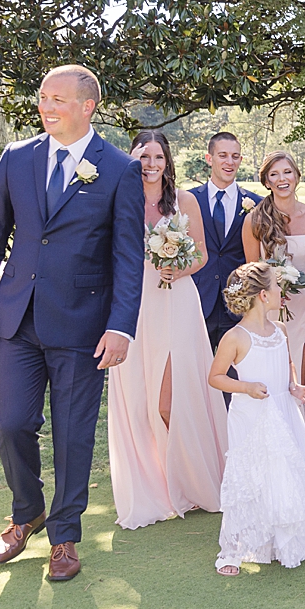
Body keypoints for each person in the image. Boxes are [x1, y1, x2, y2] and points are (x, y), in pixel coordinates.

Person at [0, 65, 145, 583]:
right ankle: (27, 513)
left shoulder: (120, 169)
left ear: (87, 106)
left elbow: (129, 258)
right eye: (43, 97)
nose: (47, 106)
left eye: (58, 99)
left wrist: (121, 326)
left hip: (84, 325)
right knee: (11, 423)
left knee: (72, 435)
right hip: (18, 319)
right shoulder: (17, 158)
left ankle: (64, 536)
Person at [106, 130, 227, 530]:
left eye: (158, 156)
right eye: (143, 156)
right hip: (134, 304)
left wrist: (179, 268)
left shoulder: (185, 201)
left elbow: (203, 256)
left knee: (170, 402)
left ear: (167, 161)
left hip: (176, 302)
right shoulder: (119, 199)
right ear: (131, 159)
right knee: (138, 398)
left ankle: (189, 481)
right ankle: (154, 486)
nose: (151, 164)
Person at [209, 262, 305, 573]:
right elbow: (215, 377)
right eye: (278, 288)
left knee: (287, 469)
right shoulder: (236, 337)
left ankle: (287, 539)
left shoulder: (279, 329)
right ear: (264, 295)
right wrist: (246, 387)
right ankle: (232, 549)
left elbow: (287, 363)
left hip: (283, 410)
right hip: (252, 413)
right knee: (252, 474)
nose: (283, 293)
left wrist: (294, 386)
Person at [243, 152, 305, 451]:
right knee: (279, 379)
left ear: (296, 176)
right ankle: (283, 453)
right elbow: (252, 274)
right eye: (275, 174)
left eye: (287, 172)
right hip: (273, 314)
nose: (282, 179)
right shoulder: (256, 220)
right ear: (266, 181)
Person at [190, 132, 261, 353]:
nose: (229, 162)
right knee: (196, 376)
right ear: (209, 158)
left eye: (235, 156)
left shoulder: (257, 204)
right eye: (223, 155)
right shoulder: (189, 200)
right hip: (198, 301)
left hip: (239, 304)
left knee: (236, 376)